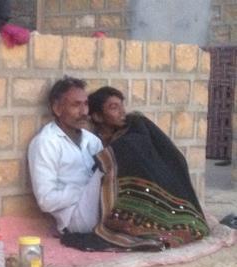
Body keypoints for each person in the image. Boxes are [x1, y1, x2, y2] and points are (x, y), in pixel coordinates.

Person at [73, 86, 209, 250]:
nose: (122, 112)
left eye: (122, 105)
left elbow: (143, 152)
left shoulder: (135, 127)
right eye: (114, 107)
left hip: (160, 190)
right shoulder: (94, 141)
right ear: (97, 116)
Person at [28, 76, 104, 235]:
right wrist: (84, 190)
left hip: (102, 209)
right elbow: (46, 201)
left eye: (86, 104)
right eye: (76, 105)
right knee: (120, 155)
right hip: (75, 220)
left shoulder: (92, 141)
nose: (84, 112)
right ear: (57, 108)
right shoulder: (46, 142)